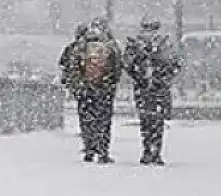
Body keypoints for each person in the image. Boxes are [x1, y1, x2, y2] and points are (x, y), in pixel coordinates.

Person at [59, 17, 123, 163]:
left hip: (84, 89)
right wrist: (110, 83)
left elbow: (69, 65)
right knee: (104, 120)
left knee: (86, 119)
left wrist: (76, 85)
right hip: (104, 89)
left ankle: (89, 149)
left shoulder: (80, 45)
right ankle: (103, 151)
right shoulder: (110, 46)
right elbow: (118, 67)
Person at [125, 17, 182, 165]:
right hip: (159, 88)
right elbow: (175, 65)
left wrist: (139, 78)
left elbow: (128, 66)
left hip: (143, 88)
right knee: (157, 121)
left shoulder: (136, 44)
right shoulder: (165, 44)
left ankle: (147, 150)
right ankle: (155, 151)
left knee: (146, 121)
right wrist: (164, 77)